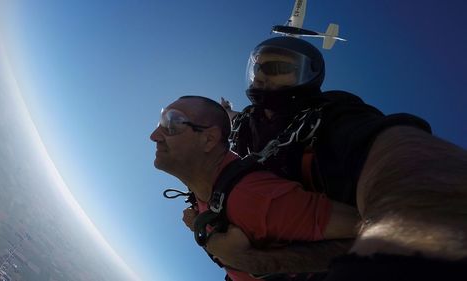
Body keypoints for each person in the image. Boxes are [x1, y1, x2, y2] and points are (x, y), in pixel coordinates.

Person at [215, 36, 467, 279]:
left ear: (307, 75)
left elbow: (395, 150)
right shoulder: (249, 120)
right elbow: (236, 118)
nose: (260, 75)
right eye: (257, 67)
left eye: (277, 67)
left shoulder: (330, 113)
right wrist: (227, 113)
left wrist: (432, 213)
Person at [150, 96, 360, 281]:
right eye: (161, 121)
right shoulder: (206, 194)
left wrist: (249, 260)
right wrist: (198, 224)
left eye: (172, 123)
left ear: (209, 139)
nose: (154, 135)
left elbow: (375, 233)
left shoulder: (257, 198)